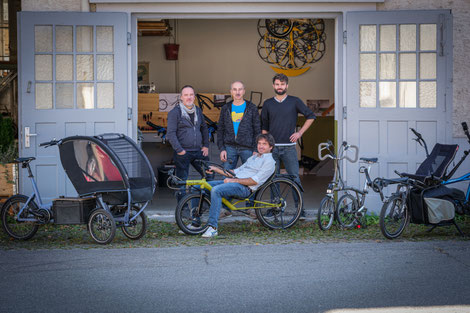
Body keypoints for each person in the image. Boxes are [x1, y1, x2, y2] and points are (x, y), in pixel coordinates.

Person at [261, 73, 316, 219]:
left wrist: (300, 133)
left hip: (289, 147)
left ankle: (300, 209)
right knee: (272, 179)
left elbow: (311, 116)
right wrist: (265, 147)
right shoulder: (268, 103)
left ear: (287, 85)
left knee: (294, 178)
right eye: (277, 84)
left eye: (282, 84)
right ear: (273, 85)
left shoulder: (294, 101)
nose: (280, 87)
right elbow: (264, 127)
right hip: (272, 149)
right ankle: (275, 208)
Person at [201, 134, 276, 238]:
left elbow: (254, 181)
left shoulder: (269, 162)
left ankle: (213, 228)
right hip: (235, 182)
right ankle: (196, 223)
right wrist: (215, 169)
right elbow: (235, 171)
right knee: (201, 186)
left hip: (245, 188)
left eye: (264, 144)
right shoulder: (254, 157)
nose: (261, 146)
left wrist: (233, 180)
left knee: (216, 190)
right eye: (259, 143)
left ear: (271, 147)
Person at [167, 85, 211, 202]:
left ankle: (203, 204)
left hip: (199, 151)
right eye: (186, 95)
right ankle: (184, 210)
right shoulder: (174, 113)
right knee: (182, 182)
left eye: (191, 94)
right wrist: (180, 150)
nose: (189, 97)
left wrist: (206, 145)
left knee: (209, 175)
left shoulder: (198, 110)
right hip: (183, 153)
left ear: (194, 96)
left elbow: (204, 129)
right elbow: (170, 134)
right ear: (181, 97)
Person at [217, 81, 261, 170]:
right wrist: (222, 149)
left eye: (240, 89)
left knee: (250, 175)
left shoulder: (252, 108)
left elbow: (257, 130)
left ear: (244, 91)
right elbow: (220, 129)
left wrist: (256, 149)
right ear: (231, 91)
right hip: (229, 148)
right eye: (235, 89)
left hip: (247, 148)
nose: (237, 92)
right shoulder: (225, 108)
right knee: (227, 175)